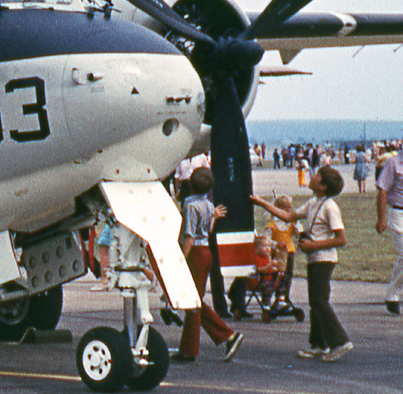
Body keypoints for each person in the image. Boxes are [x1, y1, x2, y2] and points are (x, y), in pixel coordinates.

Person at [253, 165, 352, 362]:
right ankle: (318, 344)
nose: (312, 176)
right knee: (315, 301)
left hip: (324, 259)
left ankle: (340, 341)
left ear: (322, 186)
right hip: (314, 258)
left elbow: (341, 239)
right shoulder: (313, 203)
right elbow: (289, 216)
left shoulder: (330, 207)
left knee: (319, 300)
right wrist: (262, 203)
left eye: (316, 176)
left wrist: (313, 246)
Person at [173, 167, 242, 362]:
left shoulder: (189, 205)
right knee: (194, 301)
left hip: (194, 253)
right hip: (206, 253)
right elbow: (208, 230)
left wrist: (181, 259)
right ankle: (188, 349)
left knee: (193, 301)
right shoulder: (209, 205)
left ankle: (228, 335)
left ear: (190, 184)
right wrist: (213, 217)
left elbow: (189, 236)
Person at [376, 146, 403, 315]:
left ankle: (392, 294)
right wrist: (381, 218)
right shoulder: (393, 163)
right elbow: (382, 190)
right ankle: (393, 293)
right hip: (398, 213)